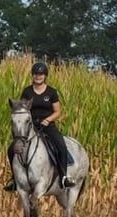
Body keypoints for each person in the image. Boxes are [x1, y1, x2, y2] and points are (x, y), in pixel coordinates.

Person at [4, 61, 75, 192]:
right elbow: (22, 108)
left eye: (41, 74)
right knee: (11, 150)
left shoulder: (51, 92)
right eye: (36, 74)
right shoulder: (27, 91)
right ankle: (14, 179)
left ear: (45, 76)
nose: (38, 76)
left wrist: (48, 120)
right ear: (33, 75)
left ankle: (64, 177)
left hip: (47, 125)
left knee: (61, 146)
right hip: (30, 126)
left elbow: (58, 111)